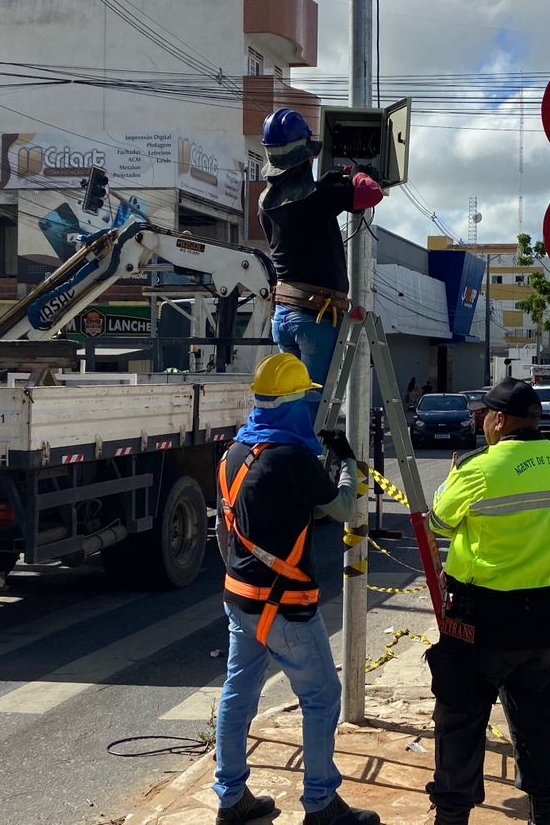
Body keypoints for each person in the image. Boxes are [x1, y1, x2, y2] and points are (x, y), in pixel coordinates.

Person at [212, 353, 380, 825]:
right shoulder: (292, 457)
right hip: (285, 605)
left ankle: (231, 798)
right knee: (323, 697)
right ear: (291, 402)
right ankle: (322, 803)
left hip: (239, 598)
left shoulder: (235, 453)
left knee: (238, 694)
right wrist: (347, 460)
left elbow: (234, 527)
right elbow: (345, 508)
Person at [425, 378, 550, 825]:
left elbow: (438, 521)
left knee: (460, 721)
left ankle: (452, 816)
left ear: (495, 420)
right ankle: (545, 810)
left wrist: (455, 477)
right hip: (546, 618)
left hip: (481, 622)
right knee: (539, 721)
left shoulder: (479, 468)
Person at [259, 109, 384, 419]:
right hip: (315, 319)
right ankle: (310, 462)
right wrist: (357, 175)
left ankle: (290, 452)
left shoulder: (265, 202)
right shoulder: (319, 197)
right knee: (315, 405)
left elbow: (303, 217)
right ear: (304, 158)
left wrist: (330, 186)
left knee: (291, 398)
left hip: (285, 314)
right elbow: (372, 194)